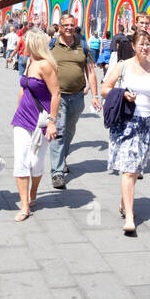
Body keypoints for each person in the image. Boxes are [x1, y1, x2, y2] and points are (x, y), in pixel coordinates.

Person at [101, 27, 150, 235]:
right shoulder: (123, 66)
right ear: (133, 46)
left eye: (147, 44)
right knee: (129, 168)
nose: (144, 47)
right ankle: (130, 217)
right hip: (125, 122)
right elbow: (105, 88)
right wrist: (123, 94)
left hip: (146, 123)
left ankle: (125, 201)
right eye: (140, 44)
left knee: (135, 169)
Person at [11, 30, 60, 220]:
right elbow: (24, 89)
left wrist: (52, 122)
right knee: (21, 161)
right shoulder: (29, 61)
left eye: (27, 42)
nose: (24, 45)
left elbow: (56, 94)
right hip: (23, 118)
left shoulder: (46, 65)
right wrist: (17, 111)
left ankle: (33, 193)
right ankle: (25, 206)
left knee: (36, 162)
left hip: (41, 120)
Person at [50, 12, 101, 189]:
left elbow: (91, 72)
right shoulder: (51, 45)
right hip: (57, 97)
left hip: (78, 96)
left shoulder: (83, 45)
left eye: (72, 25)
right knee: (59, 130)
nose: (69, 28)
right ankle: (56, 172)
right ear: (60, 26)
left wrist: (95, 96)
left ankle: (61, 158)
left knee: (70, 131)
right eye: (66, 25)